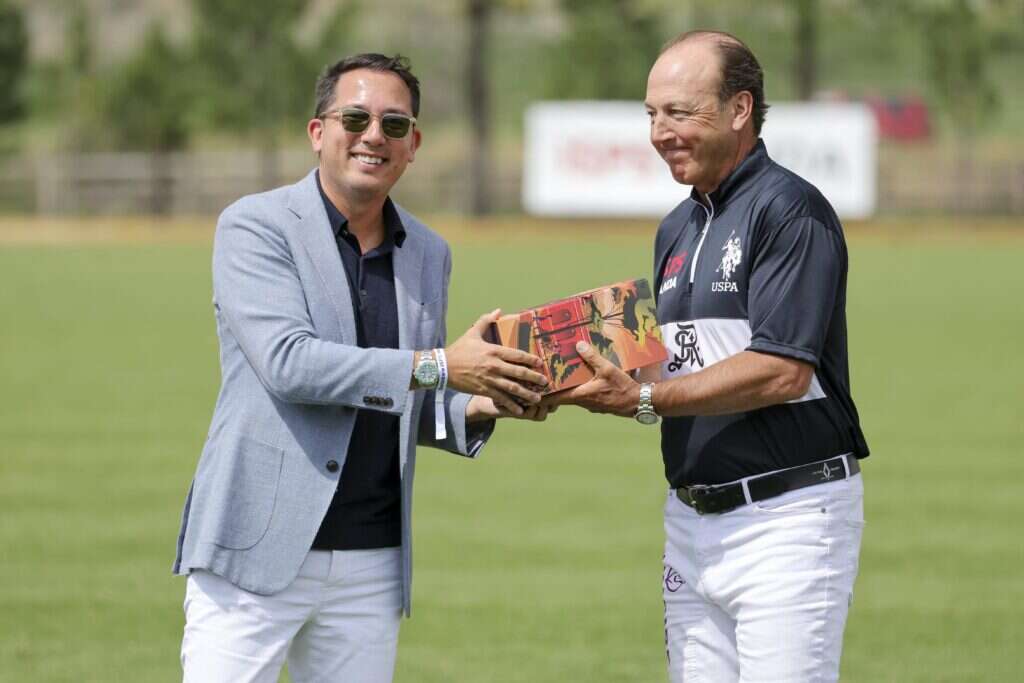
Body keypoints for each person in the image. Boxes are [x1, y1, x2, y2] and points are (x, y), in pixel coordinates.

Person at [173, 53, 551, 683]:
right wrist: (442, 365)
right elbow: (291, 366)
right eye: (356, 117)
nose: (374, 135)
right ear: (318, 132)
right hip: (256, 549)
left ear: (414, 146)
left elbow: (405, 396)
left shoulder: (430, 252)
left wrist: (485, 399)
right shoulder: (255, 226)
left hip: (372, 562)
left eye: (394, 125)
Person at [551, 31, 870, 682]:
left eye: (679, 112)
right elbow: (675, 359)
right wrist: (550, 366)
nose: (660, 131)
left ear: (739, 108)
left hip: (787, 520)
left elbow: (784, 368)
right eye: (651, 114)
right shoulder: (677, 226)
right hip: (692, 523)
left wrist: (641, 400)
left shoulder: (790, 209)